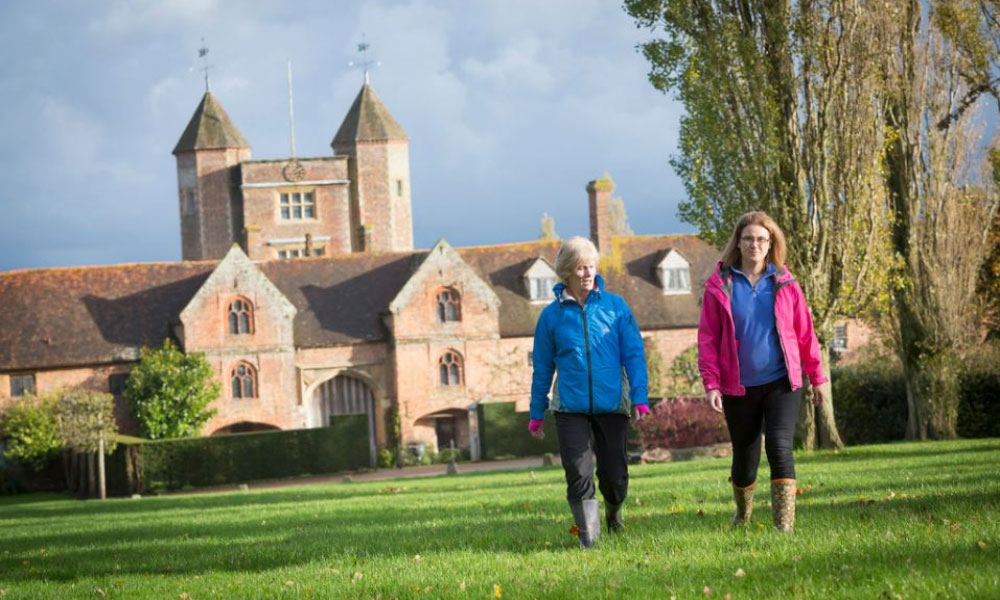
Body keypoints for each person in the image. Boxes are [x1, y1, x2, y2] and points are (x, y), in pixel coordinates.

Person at [698, 211, 827, 532]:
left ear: (771, 245)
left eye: (761, 239)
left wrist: (817, 378)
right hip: (737, 386)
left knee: (780, 447)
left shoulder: (785, 283)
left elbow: (805, 334)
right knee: (745, 457)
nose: (754, 244)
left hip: (782, 382)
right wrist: (712, 384)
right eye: (748, 239)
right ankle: (743, 514)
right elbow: (708, 338)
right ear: (738, 243)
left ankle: (784, 527)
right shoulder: (720, 285)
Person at [527, 236, 650, 549]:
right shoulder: (551, 317)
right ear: (566, 272)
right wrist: (536, 413)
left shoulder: (616, 308)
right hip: (570, 406)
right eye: (580, 268)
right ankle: (589, 538)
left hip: (612, 403)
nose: (587, 274)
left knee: (615, 473)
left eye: (591, 267)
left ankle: (614, 511)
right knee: (578, 470)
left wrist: (639, 396)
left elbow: (634, 354)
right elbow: (542, 368)